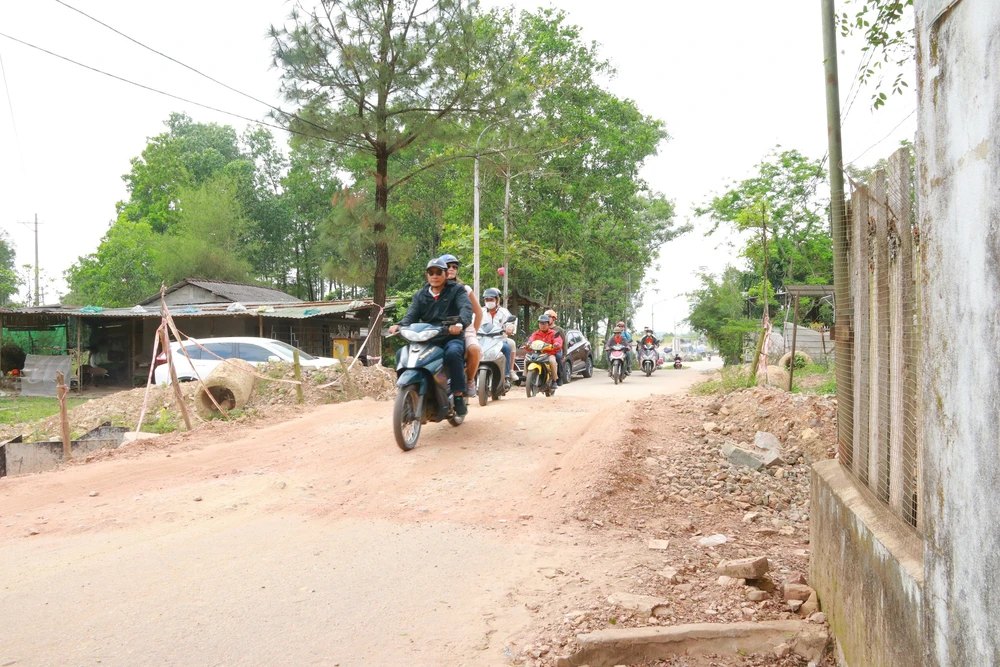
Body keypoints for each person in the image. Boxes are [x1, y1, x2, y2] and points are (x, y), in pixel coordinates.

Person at [389, 257, 473, 415]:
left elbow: (465, 308)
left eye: (438, 272)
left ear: (445, 273)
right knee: (402, 353)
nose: (434, 276)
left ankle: (458, 395)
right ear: (427, 275)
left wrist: (460, 324)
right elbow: (411, 315)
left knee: (454, 353)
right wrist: (400, 326)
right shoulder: (420, 295)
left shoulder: (457, 290)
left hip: (450, 337)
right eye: (431, 272)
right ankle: (406, 392)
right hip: (426, 338)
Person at [440, 253, 482, 398]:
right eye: (447, 266)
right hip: (441, 330)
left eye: (454, 267)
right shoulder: (433, 289)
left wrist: (472, 332)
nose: (451, 269)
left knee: (474, 349)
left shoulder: (464, 289)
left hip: (464, 328)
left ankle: (470, 380)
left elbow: (478, 313)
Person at [481, 287, 518, 381]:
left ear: (497, 300)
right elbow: (473, 322)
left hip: (499, 340)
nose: (489, 302)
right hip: (482, 340)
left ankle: (507, 375)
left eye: (491, 299)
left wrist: (510, 327)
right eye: (487, 300)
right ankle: (469, 377)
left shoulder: (504, 312)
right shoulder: (480, 312)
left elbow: (511, 322)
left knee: (507, 347)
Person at [524, 313, 562, 390]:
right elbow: (530, 341)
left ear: (548, 324)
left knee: (552, 361)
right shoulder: (535, 334)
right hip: (537, 354)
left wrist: (556, 344)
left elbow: (558, 341)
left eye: (544, 323)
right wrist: (527, 345)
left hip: (549, 354)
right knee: (526, 359)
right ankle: (526, 378)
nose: (542, 325)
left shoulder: (553, 333)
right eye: (540, 323)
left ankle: (554, 380)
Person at [545, 309, 568, 386]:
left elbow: (564, 342)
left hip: (556, 350)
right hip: (545, 350)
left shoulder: (559, 329)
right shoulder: (543, 328)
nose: (546, 319)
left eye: (548, 317)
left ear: (553, 319)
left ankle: (559, 376)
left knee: (558, 358)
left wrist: (564, 354)